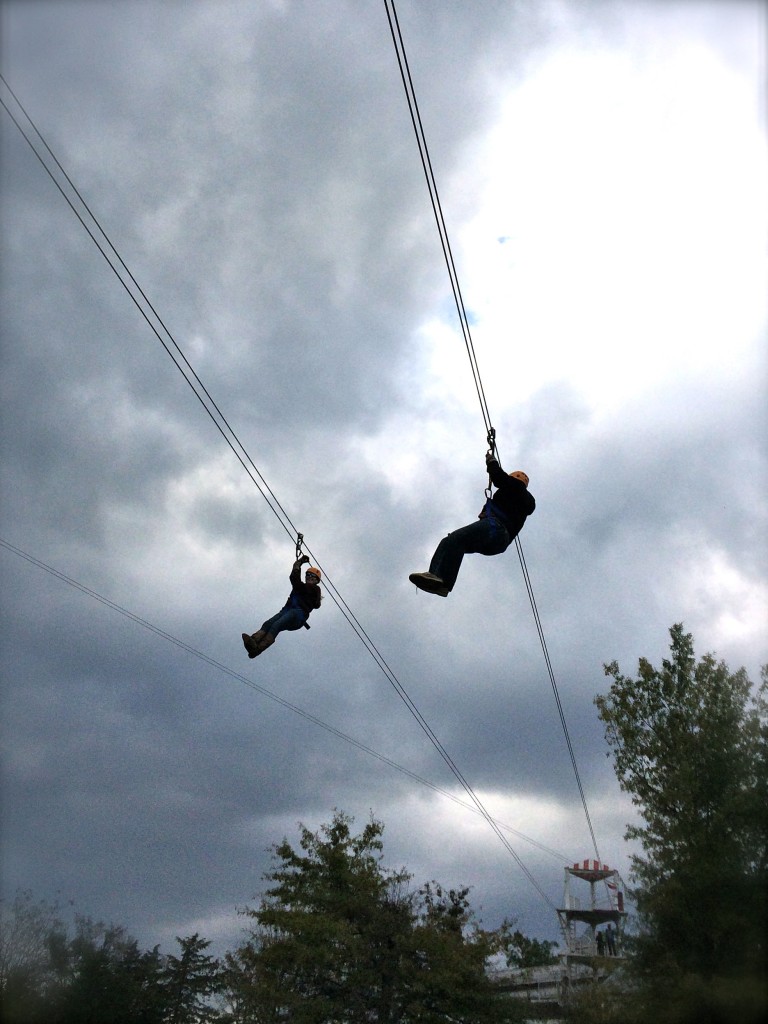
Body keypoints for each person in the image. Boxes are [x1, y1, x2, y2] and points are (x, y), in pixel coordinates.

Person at [409, 451, 535, 596]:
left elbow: (499, 478)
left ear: (516, 479)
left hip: (497, 529)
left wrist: (492, 462)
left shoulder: (517, 487)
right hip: (497, 542)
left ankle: (441, 578)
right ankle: (440, 583)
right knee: (451, 542)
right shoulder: (518, 500)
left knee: (455, 539)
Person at [242, 555, 322, 658]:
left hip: (298, 614)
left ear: (317, 581)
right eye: (308, 575)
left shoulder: (314, 589)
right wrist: (298, 564)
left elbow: (295, 581)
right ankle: (253, 641)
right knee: (268, 624)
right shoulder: (302, 587)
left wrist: (298, 563)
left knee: (276, 625)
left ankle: (258, 649)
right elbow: (295, 580)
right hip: (288, 611)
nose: (310, 577)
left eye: (313, 576)